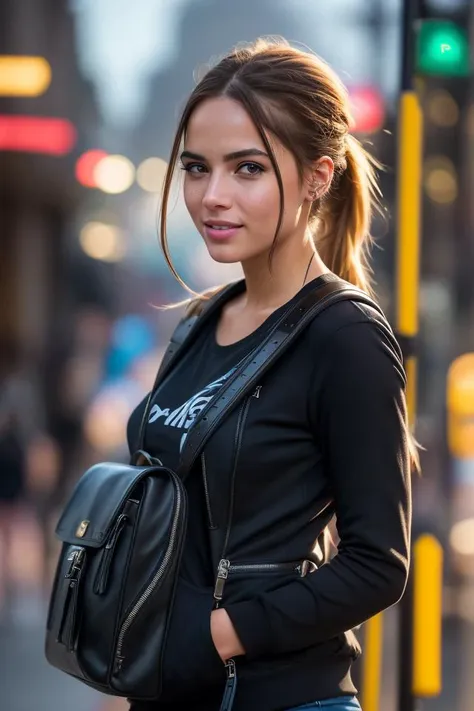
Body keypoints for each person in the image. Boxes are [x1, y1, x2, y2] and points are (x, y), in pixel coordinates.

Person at [126, 37, 415, 711]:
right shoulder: (201, 321)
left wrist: (220, 634)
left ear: (318, 175)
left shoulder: (344, 336)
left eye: (247, 168)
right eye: (197, 168)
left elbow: (378, 563)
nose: (212, 196)